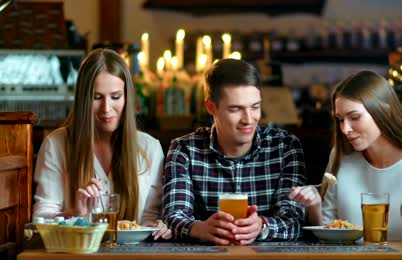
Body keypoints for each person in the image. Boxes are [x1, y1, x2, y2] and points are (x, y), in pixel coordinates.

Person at [289, 70, 402, 253]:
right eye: (340, 119)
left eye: (355, 117)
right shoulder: (341, 157)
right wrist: (315, 205)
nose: (345, 129)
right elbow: (329, 236)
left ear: (384, 112)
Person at [162, 58, 306, 245]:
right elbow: (173, 215)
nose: (248, 119)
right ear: (211, 107)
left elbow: (295, 219)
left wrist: (262, 226)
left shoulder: (285, 146)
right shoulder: (185, 150)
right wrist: (200, 228)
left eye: (255, 107)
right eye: (236, 109)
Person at [33, 48, 171, 240]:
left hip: (133, 257)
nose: (106, 109)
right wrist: (75, 213)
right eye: (96, 98)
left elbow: (149, 216)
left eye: (115, 97)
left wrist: (157, 225)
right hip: (76, 255)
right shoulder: (56, 144)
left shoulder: (151, 148)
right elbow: (40, 219)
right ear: (83, 99)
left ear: (127, 97)